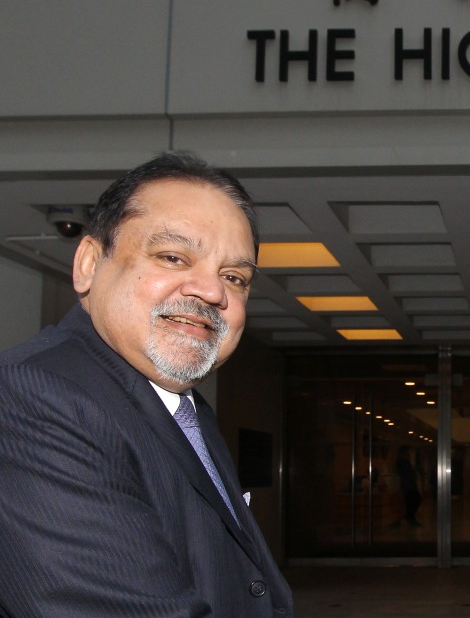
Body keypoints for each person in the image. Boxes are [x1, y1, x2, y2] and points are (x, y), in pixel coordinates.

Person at [0, 153, 293, 616]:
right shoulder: (29, 396)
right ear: (89, 264)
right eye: (173, 257)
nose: (212, 291)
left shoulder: (183, 408)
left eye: (234, 277)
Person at [396, 445, 423, 526]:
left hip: (410, 485)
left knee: (414, 501)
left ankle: (410, 517)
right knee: (413, 501)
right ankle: (409, 517)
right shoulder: (402, 462)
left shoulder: (406, 462)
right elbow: (406, 473)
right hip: (408, 485)